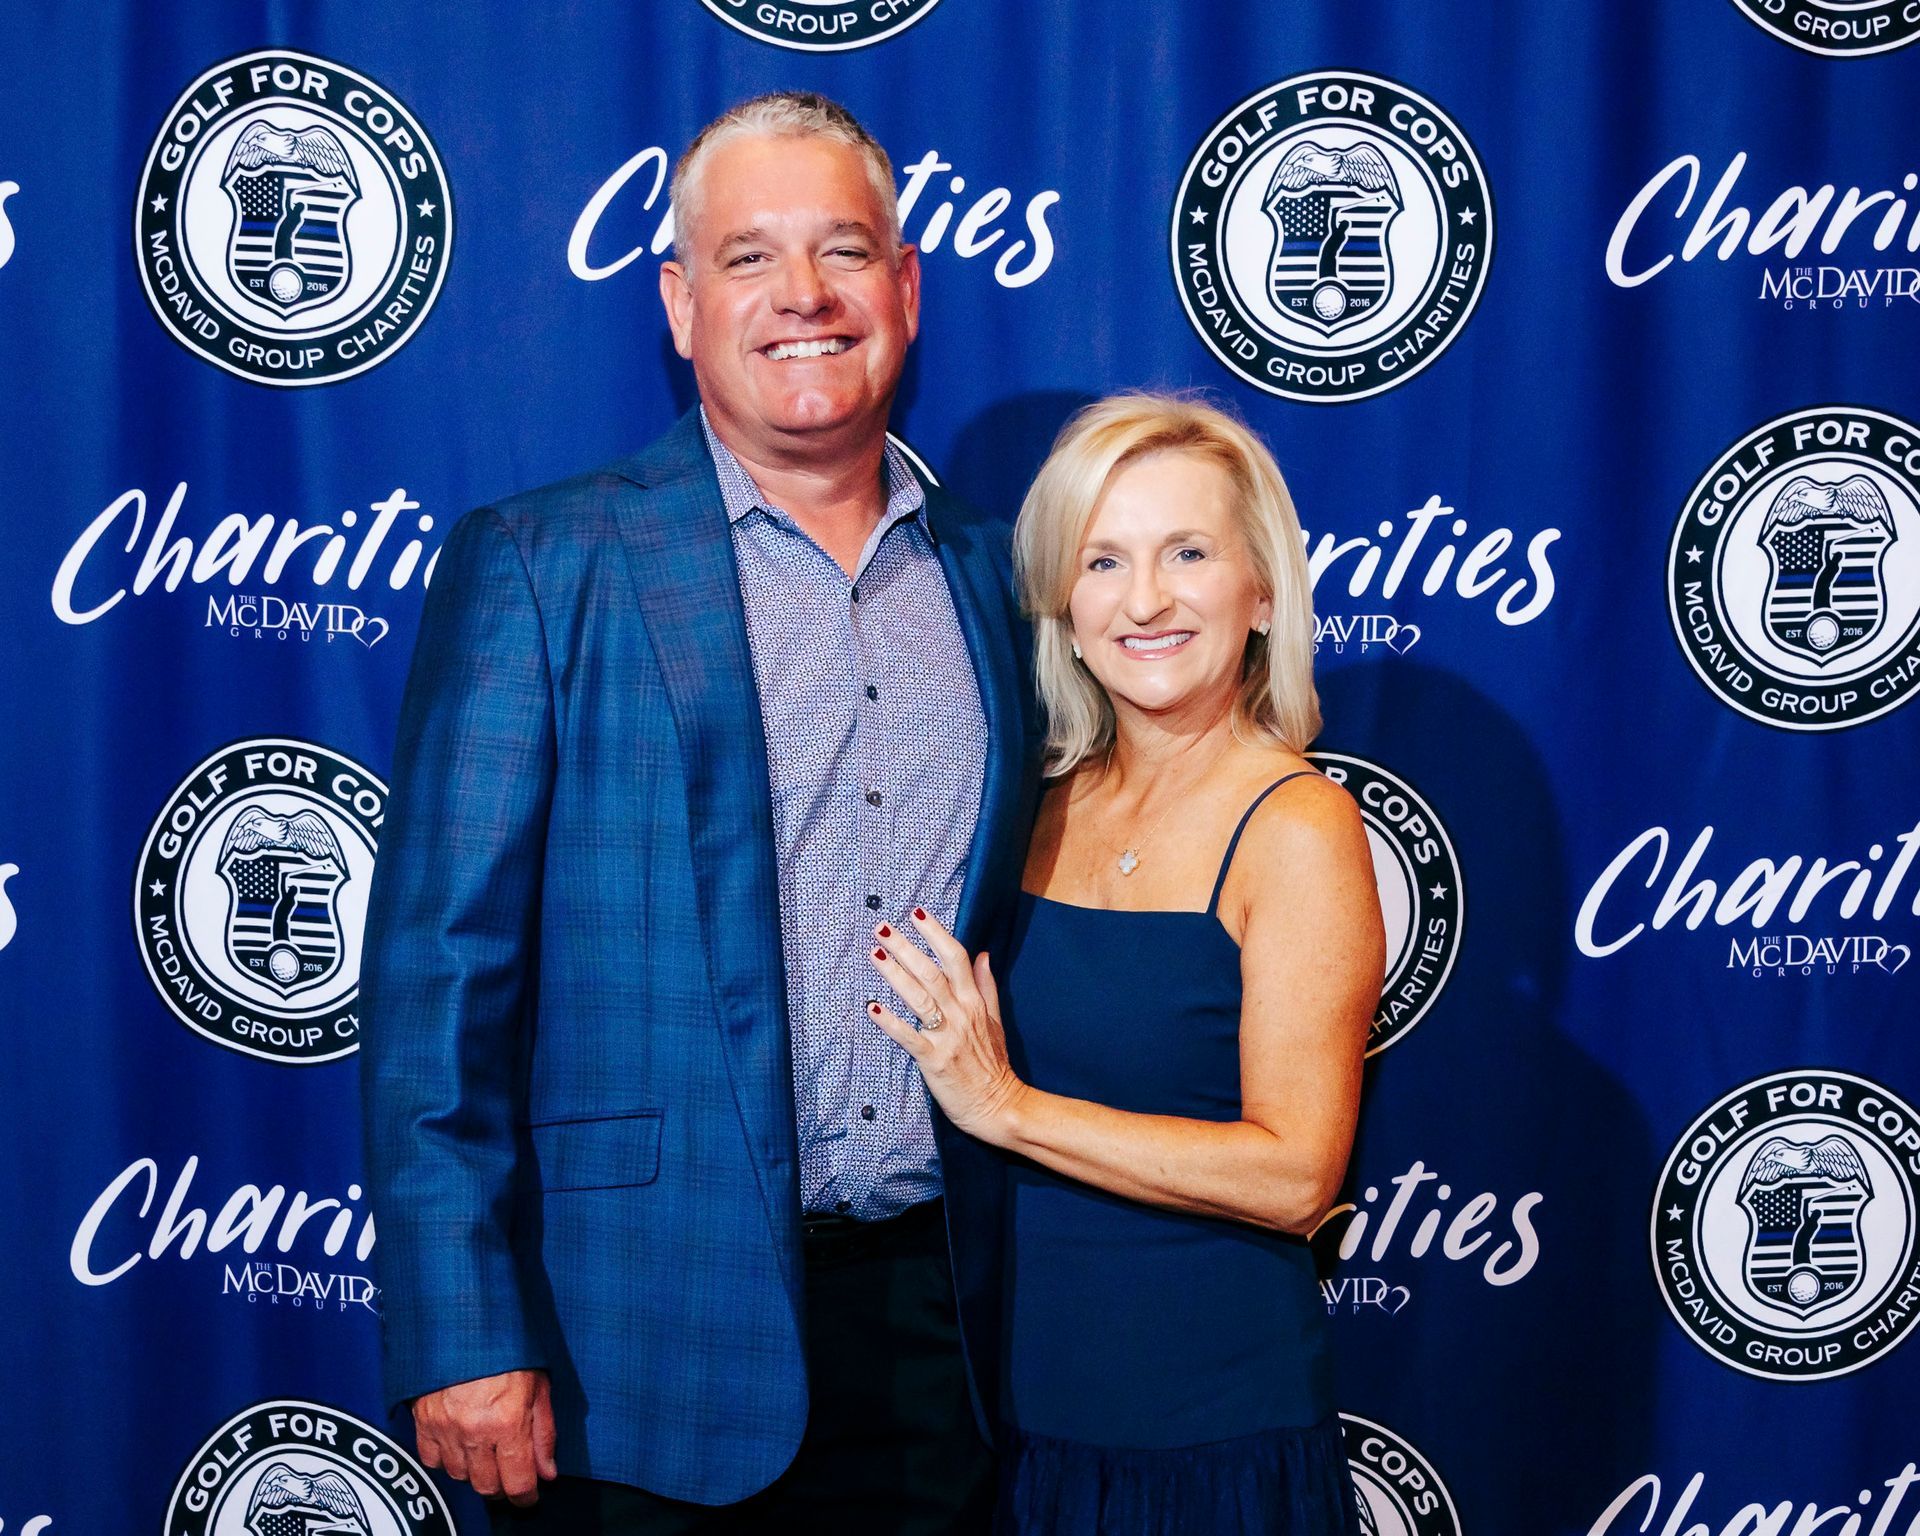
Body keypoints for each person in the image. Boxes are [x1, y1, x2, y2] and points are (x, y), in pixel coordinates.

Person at [358, 91, 1037, 1533]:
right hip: (631, 1347)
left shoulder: (996, 576)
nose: (804, 295)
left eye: (843, 251)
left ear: (906, 289)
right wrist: (462, 1325)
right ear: (680, 304)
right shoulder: (542, 561)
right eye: (749, 257)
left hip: (945, 1342)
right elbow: (439, 980)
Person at [863, 394, 1382, 1534]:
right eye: (1103, 561)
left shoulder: (1298, 826)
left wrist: (1009, 1108)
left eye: (1187, 553)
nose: (1144, 601)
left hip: (1204, 1442)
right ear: (1063, 601)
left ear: (1261, 591)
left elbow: (1296, 1176)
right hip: (1001, 1430)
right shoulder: (1035, 803)